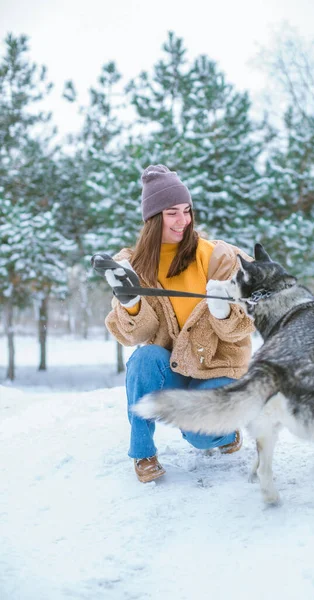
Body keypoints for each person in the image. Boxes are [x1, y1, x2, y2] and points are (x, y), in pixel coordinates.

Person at [103, 164, 255, 483]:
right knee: (143, 358)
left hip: (218, 367)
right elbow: (136, 336)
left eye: (186, 211)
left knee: (199, 435)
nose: (183, 220)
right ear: (153, 218)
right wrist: (130, 302)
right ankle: (143, 453)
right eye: (172, 212)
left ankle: (226, 435)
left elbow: (246, 323)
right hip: (170, 367)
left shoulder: (218, 257)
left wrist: (223, 310)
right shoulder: (136, 266)